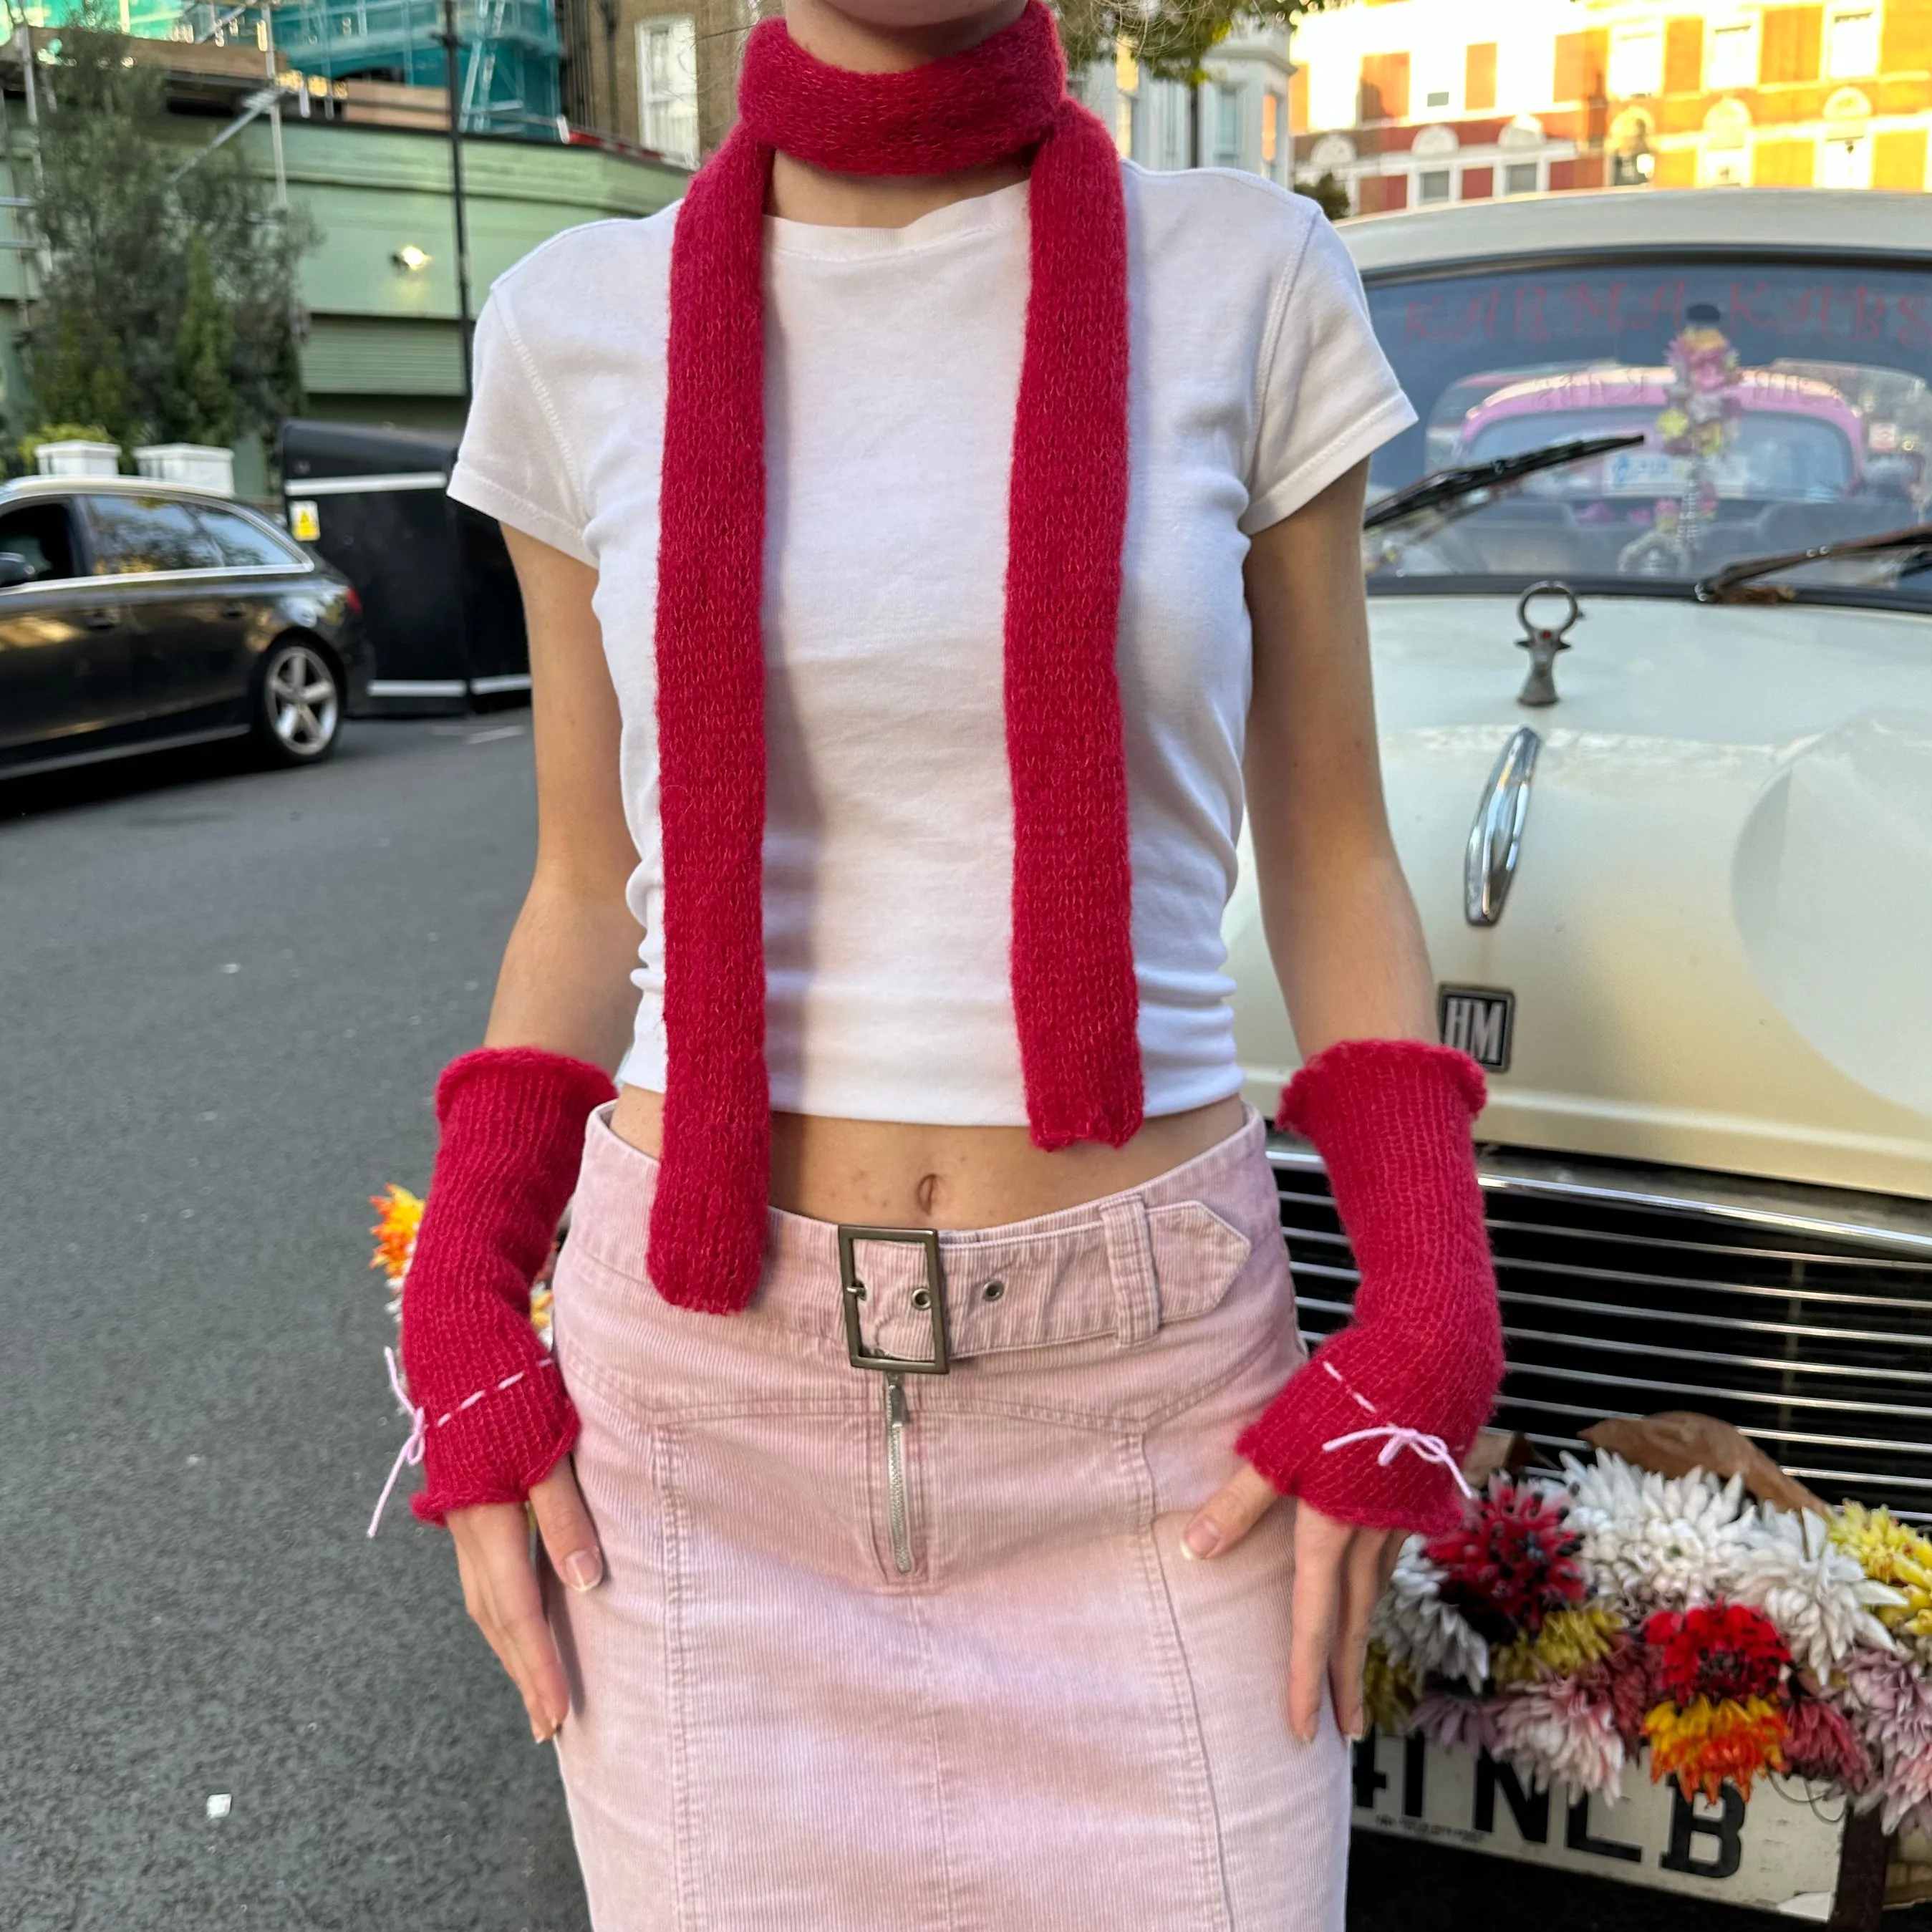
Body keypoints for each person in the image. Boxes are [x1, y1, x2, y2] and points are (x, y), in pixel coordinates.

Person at [393, 0, 1504, 1924]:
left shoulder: (1248, 271)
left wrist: (1427, 1293)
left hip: (1153, 1429)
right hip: (708, 1431)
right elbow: (591, 884)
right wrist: (469, 1299)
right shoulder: (573, 321)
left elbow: (1333, 844)